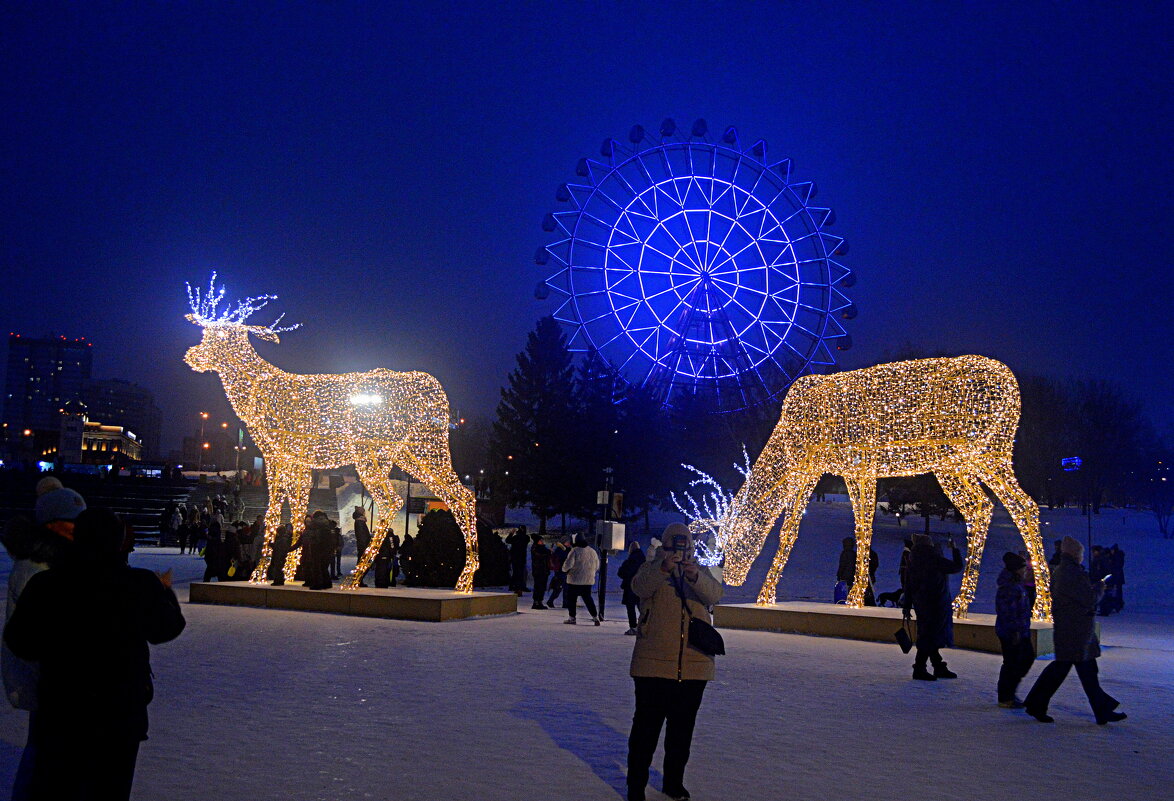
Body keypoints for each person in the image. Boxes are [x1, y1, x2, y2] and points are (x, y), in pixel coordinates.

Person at [4, 507, 186, 800]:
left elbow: (20, 641)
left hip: (62, 707)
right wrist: (164, 592)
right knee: (109, 789)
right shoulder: (138, 584)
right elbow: (167, 628)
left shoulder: (48, 584)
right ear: (119, 541)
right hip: (120, 712)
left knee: (58, 787)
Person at [626, 523, 722, 801]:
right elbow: (639, 589)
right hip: (652, 664)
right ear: (665, 546)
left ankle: (673, 783)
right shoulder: (651, 567)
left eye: (684, 545)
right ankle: (636, 786)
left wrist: (693, 575)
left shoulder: (700, 571)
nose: (680, 550)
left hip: (694, 664)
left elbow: (716, 595)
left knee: (681, 733)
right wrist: (664, 567)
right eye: (674, 545)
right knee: (645, 731)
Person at [2, 486, 86, 801]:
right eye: (72, 522)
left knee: (45, 751)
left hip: (51, 681)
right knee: (41, 754)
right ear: (52, 524)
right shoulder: (35, 568)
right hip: (43, 681)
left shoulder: (57, 561)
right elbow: (33, 635)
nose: (79, 528)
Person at [1024, 536, 1126, 724]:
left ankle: (1101, 709)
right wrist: (1100, 588)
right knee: (1068, 670)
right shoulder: (1070, 573)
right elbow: (1088, 598)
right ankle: (1036, 704)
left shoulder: (1066, 571)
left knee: (1083, 671)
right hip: (1075, 631)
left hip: (1074, 629)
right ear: (1075, 554)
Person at [902, 532, 963, 680]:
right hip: (936, 603)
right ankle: (920, 668)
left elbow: (908, 585)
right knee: (929, 636)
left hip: (921, 604)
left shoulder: (913, 561)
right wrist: (955, 549)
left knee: (928, 634)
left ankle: (938, 666)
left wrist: (907, 605)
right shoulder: (934, 559)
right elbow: (957, 567)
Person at [995, 552, 1035, 708]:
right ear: (1016, 569)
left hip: (1019, 630)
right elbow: (1007, 611)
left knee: (1023, 659)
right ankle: (1006, 696)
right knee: (1013, 662)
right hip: (1012, 631)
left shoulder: (1017, 584)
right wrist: (1015, 630)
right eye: (1023, 568)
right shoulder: (1009, 587)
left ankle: (1008, 692)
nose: (1026, 571)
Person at [561, 534, 600, 625]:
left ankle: (572, 617)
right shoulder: (592, 551)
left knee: (572, 599)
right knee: (588, 599)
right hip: (588, 580)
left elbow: (568, 565)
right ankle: (595, 617)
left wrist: (564, 569)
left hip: (574, 580)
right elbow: (597, 565)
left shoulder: (574, 551)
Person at [618, 540, 646, 634]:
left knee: (630, 608)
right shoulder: (644, 560)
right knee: (641, 607)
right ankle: (645, 625)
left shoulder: (630, 560)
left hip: (630, 587)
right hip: (640, 587)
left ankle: (633, 627)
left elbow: (621, 573)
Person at [546, 537, 569, 607]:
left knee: (563, 588)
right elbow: (563, 558)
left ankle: (563, 603)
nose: (569, 543)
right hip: (560, 571)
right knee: (559, 588)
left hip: (564, 571)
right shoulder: (560, 550)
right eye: (567, 542)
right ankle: (551, 601)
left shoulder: (566, 549)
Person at [508, 526, 531, 596]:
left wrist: (511, 534)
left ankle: (515, 587)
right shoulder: (525, 538)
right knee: (519, 574)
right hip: (520, 558)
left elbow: (508, 540)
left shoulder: (517, 537)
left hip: (516, 557)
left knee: (517, 573)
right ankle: (518, 587)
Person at [530, 534, 551, 609]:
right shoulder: (535, 548)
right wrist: (548, 553)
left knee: (542, 587)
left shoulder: (543, 548)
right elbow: (540, 556)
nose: (542, 541)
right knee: (538, 586)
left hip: (544, 570)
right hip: (538, 571)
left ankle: (540, 601)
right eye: (540, 540)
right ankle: (536, 602)